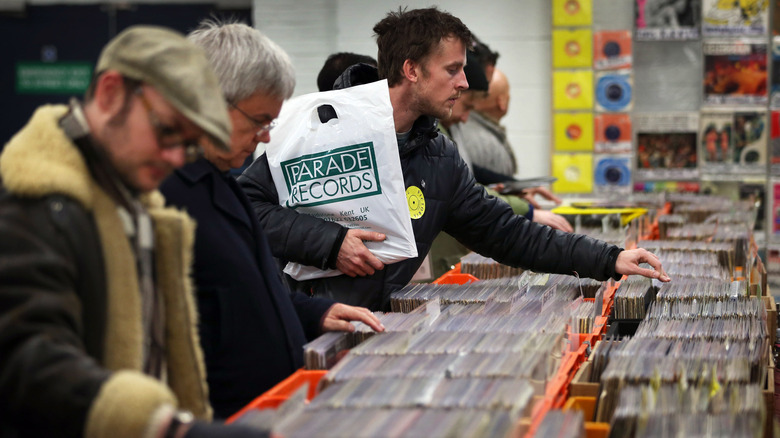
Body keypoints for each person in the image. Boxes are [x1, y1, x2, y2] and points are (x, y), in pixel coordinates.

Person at [238, 7, 670, 311]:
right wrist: (331, 244)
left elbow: (504, 232)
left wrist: (609, 259)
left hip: (368, 326)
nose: (464, 83)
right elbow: (247, 209)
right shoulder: (320, 127)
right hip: (298, 323)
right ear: (411, 70)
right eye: (452, 70)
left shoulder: (438, 155)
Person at [0, 26, 266, 437]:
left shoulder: (135, 202)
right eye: (166, 130)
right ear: (110, 94)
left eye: (191, 144)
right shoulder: (34, 204)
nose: (177, 156)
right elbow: (27, 358)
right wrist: (168, 428)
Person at [160, 20, 384, 419]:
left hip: (269, 413)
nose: (265, 137)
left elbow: (246, 293)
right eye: (260, 120)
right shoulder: (163, 199)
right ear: (210, 102)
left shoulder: (225, 184)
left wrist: (312, 313)